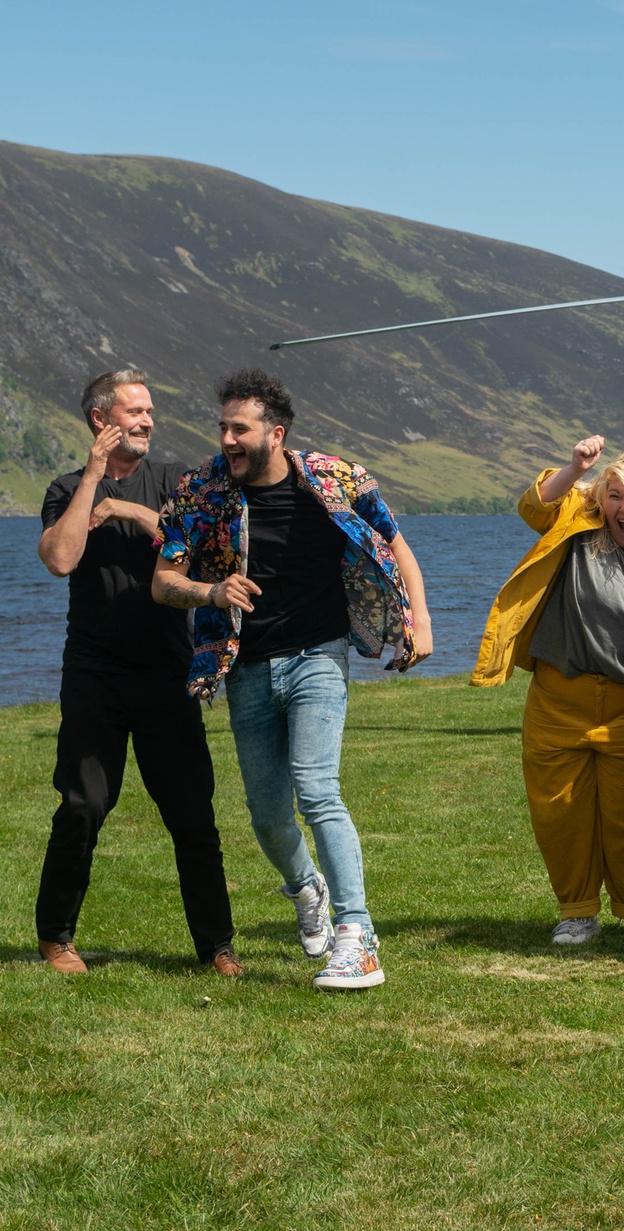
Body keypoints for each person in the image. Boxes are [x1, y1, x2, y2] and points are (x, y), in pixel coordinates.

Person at [152, 368, 432, 991]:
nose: (227, 438)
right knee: (267, 813)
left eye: (239, 427)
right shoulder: (201, 493)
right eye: (222, 426)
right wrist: (211, 588)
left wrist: (421, 621)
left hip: (318, 657)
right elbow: (162, 581)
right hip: (245, 666)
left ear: (275, 433)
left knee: (317, 788)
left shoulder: (336, 481)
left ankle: (357, 937)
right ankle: (308, 886)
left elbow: (397, 545)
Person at [34, 369, 239, 977]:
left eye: (150, 411)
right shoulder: (65, 487)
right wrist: (93, 483)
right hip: (95, 674)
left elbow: (194, 550)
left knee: (191, 813)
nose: (148, 420)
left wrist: (122, 507)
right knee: (82, 805)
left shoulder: (174, 482)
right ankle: (56, 938)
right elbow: (61, 558)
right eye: (135, 411)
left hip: (165, 675)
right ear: (101, 420)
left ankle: (217, 947)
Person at [472, 436, 624, 945]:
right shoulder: (579, 522)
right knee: (560, 813)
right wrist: (575, 468)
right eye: (614, 496)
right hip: (557, 697)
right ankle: (576, 912)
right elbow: (534, 504)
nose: (623, 508)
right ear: (600, 499)